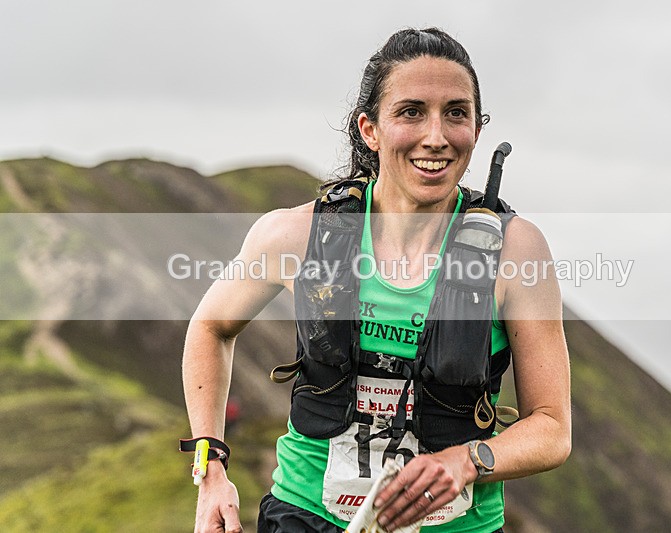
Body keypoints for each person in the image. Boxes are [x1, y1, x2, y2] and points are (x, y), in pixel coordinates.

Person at [182, 27, 571, 533]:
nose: (437, 136)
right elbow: (210, 328)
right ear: (370, 129)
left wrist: (466, 460)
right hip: (307, 517)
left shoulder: (516, 251)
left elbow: (552, 428)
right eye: (411, 112)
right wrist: (210, 471)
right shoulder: (297, 235)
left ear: (476, 128)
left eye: (456, 112)